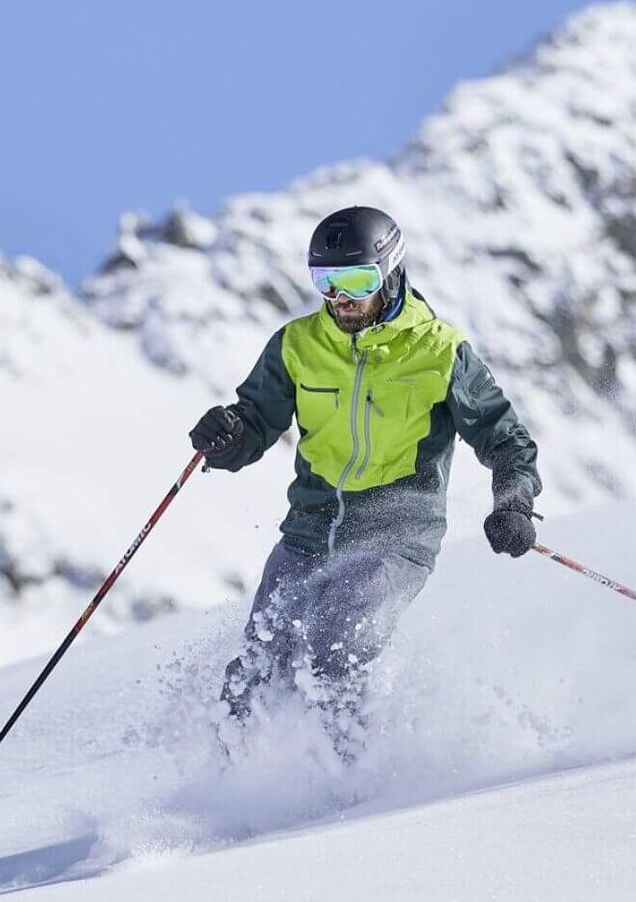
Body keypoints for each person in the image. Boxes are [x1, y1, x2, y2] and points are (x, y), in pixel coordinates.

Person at [189, 206, 542, 758]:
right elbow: (254, 425)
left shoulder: (439, 351)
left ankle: (350, 784)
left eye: (356, 281)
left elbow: (506, 440)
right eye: (326, 283)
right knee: (257, 666)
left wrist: (514, 503)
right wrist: (227, 437)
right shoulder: (297, 346)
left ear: (391, 272)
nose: (341, 299)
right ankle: (229, 793)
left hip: (395, 539)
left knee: (337, 648)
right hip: (308, 533)